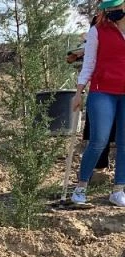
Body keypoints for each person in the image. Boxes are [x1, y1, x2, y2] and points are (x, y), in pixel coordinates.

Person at [71, 0, 125, 206]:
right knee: (99, 141)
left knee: (124, 143)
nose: (111, 14)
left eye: (115, 10)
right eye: (108, 11)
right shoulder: (97, 31)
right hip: (102, 92)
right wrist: (78, 93)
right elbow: (88, 64)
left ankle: (118, 190)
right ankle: (81, 187)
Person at [67, 16, 116, 173]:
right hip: (102, 86)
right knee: (100, 132)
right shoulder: (98, 21)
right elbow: (88, 55)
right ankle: (99, 168)